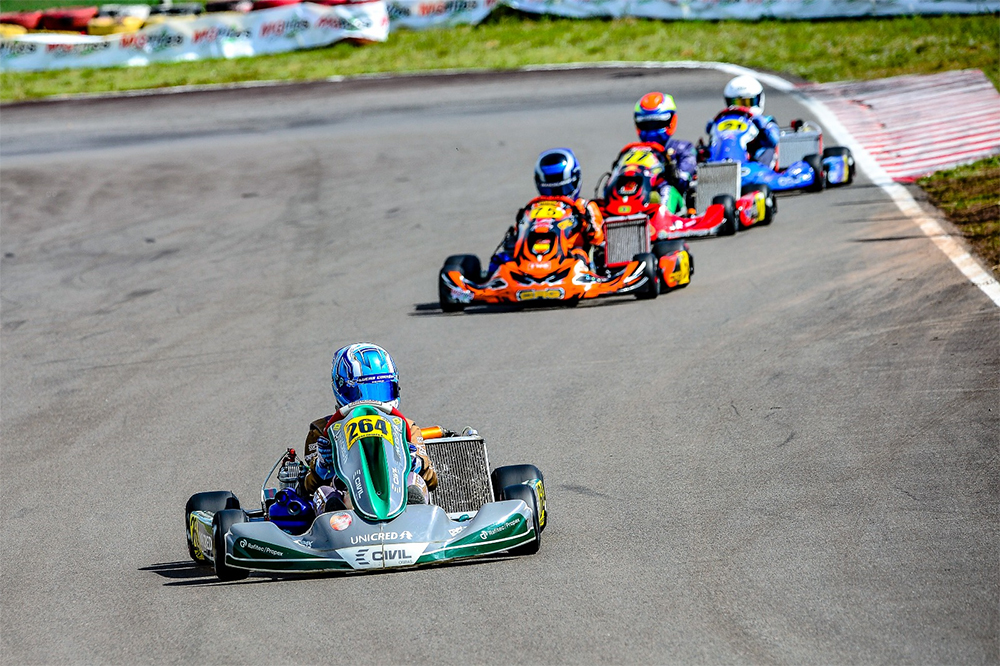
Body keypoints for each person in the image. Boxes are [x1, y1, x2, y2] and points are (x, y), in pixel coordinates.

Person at [301, 343, 438, 508]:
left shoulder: (406, 427)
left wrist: (415, 462)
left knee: (414, 482)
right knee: (323, 492)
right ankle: (335, 516)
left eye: (381, 390)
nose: (372, 400)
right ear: (340, 390)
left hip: (396, 495)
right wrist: (322, 465)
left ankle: (414, 511)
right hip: (348, 499)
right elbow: (307, 486)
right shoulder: (323, 430)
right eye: (360, 393)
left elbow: (431, 479)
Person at [489, 148, 605, 273]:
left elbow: (597, 238)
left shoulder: (584, 206)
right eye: (550, 189)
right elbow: (517, 238)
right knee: (500, 260)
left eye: (562, 187)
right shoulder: (532, 209)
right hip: (531, 258)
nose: (555, 194)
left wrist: (586, 223)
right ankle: (505, 278)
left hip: (569, 257)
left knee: (580, 255)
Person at [610, 92, 697, 199]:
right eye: (646, 124)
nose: (651, 129)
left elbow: (682, 181)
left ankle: (662, 213)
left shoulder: (683, 148)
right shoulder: (631, 152)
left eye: (657, 123)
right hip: (639, 195)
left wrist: (670, 170)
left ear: (671, 121)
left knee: (667, 190)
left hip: (673, 198)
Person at [717, 75, 780, 168]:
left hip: (754, 162)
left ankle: (762, 171)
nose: (741, 107)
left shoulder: (766, 121)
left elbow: (775, 140)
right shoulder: (722, 122)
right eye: (736, 103)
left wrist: (763, 127)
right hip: (727, 159)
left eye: (746, 103)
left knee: (767, 149)